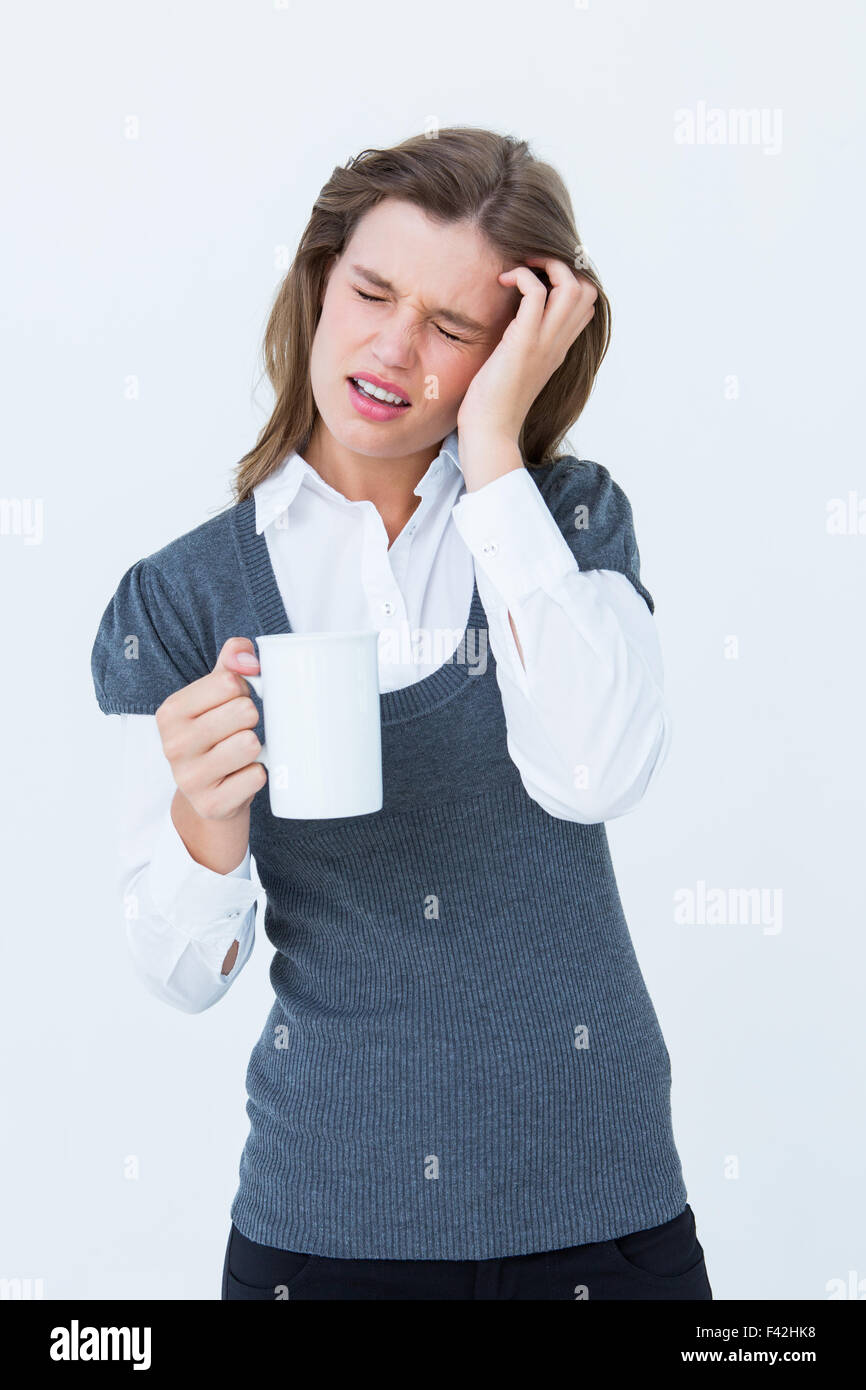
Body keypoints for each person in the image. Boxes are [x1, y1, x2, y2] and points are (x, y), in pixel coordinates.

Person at [91, 126, 711, 1301]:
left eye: (454, 327)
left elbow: (595, 773)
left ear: (510, 353)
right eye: (371, 291)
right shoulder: (180, 596)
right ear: (319, 281)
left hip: (604, 1208)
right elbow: (181, 975)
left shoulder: (563, 527)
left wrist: (491, 459)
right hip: (327, 1233)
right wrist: (204, 820)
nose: (392, 349)